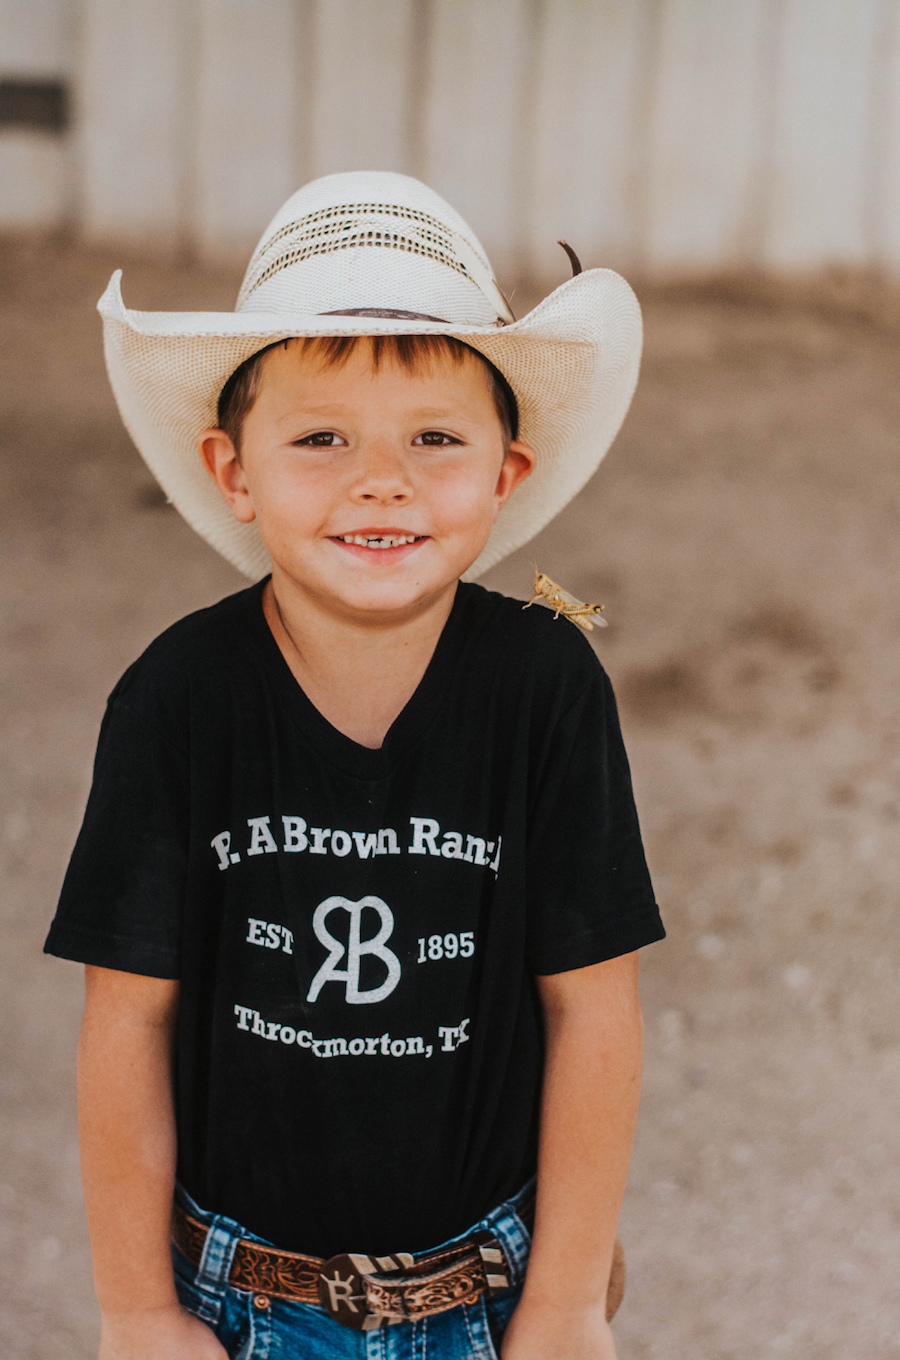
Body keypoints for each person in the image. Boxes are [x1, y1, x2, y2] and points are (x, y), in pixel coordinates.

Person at [45, 171, 664, 1360]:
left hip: (490, 1286)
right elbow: (124, 1023)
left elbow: (593, 1008)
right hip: (240, 1301)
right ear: (234, 472)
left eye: (435, 437)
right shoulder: (178, 700)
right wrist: (135, 1310)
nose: (381, 480)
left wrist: (567, 1300)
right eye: (321, 437)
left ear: (505, 473)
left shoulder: (546, 689)